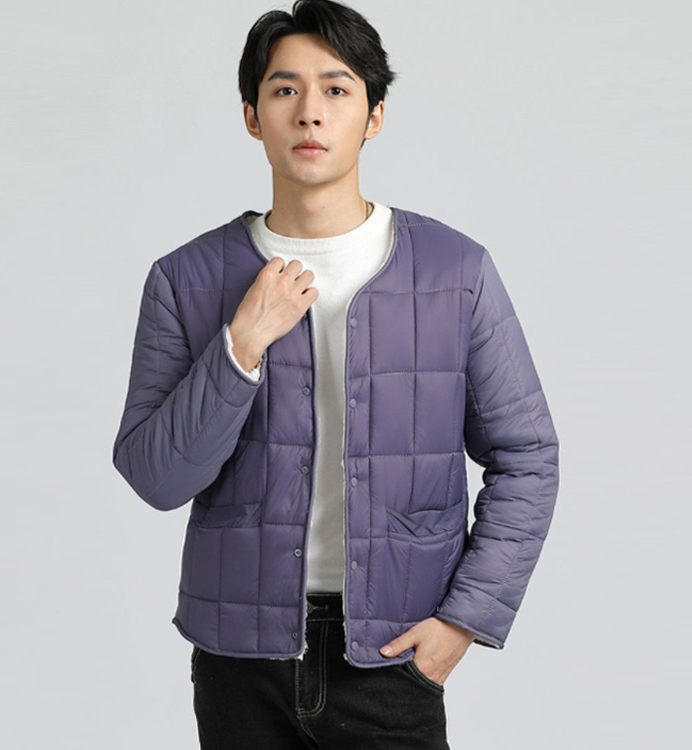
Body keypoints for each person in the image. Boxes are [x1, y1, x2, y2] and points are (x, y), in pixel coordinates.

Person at [111, 1, 560, 747]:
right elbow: (156, 478)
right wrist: (240, 347)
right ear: (252, 116)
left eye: (337, 88)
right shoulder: (185, 279)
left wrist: (463, 620)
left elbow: (528, 456)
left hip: (393, 657)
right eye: (284, 89)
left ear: (374, 116)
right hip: (238, 662)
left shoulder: (455, 271)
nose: (310, 112)